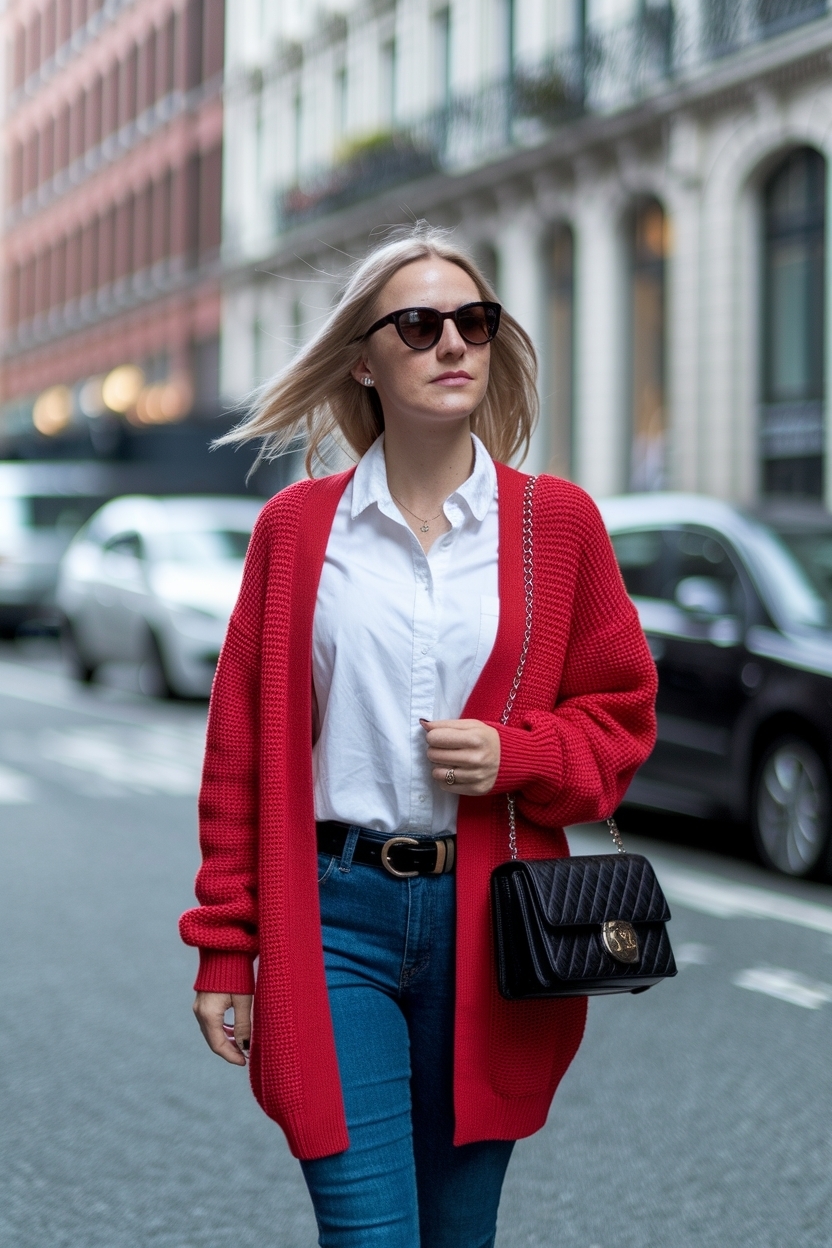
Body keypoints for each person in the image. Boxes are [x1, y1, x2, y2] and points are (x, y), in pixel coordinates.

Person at [179, 223, 657, 1248]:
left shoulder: (556, 524)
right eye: (420, 324)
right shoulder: (297, 532)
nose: (454, 344)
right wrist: (226, 951)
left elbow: (621, 722)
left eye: (473, 322)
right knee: (370, 1234)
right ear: (364, 358)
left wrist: (516, 756)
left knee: (457, 1234)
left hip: (493, 927)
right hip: (332, 919)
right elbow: (238, 759)